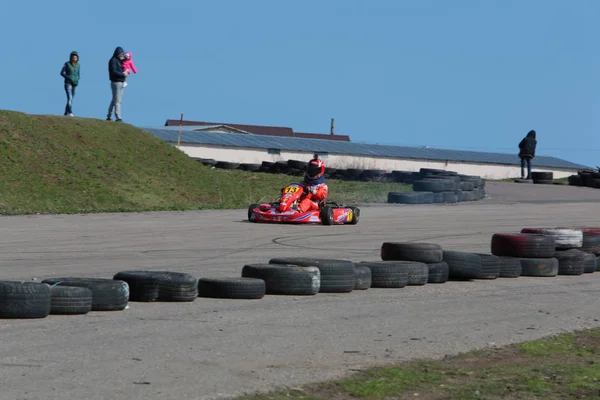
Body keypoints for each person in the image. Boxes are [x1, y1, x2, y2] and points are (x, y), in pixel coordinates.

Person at [106, 46, 129, 122]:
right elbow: (114, 72)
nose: (122, 55)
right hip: (116, 82)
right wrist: (123, 74)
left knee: (115, 100)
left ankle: (109, 115)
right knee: (118, 101)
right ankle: (118, 117)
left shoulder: (119, 61)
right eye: (121, 54)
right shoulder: (113, 61)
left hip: (121, 82)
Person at [60, 51, 80, 117]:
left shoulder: (78, 65)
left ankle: (66, 113)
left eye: (75, 57)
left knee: (71, 99)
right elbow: (62, 73)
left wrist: (78, 78)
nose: (74, 58)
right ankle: (70, 112)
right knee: (70, 98)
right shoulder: (67, 64)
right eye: (73, 57)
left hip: (75, 83)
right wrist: (68, 77)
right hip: (68, 83)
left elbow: (78, 73)